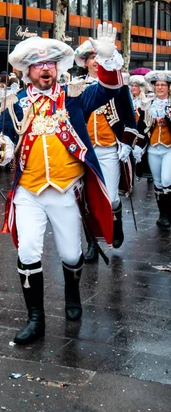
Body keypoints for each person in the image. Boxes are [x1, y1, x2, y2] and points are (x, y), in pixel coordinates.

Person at [0, 23, 123, 345]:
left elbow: (110, 90)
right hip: (28, 192)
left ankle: (72, 294)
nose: (45, 69)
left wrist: (108, 59)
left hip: (66, 190)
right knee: (29, 252)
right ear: (27, 71)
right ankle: (35, 318)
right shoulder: (13, 101)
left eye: (50, 64)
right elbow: (1, 135)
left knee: (71, 254)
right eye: (38, 65)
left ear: (58, 68)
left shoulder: (74, 96)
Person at [74, 40, 137, 260]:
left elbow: (130, 119)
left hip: (109, 150)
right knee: (85, 200)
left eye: (100, 58)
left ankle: (116, 215)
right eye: (92, 58)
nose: (96, 62)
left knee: (110, 199)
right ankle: (92, 243)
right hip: (84, 151)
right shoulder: (75, 86)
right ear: (85, 62)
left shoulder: (118, 86)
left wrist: (127, 144)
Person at [134, 70, 171, 229]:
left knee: (167, 180)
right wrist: (136, 145)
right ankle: (162, 214)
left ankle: (168, 213)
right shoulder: (148, 104)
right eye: (157, 85)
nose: (160, 88)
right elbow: (142, 127)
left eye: (163, 85)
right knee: (157, 182)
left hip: (169, 148)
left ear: (169, 88)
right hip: (153, 148)